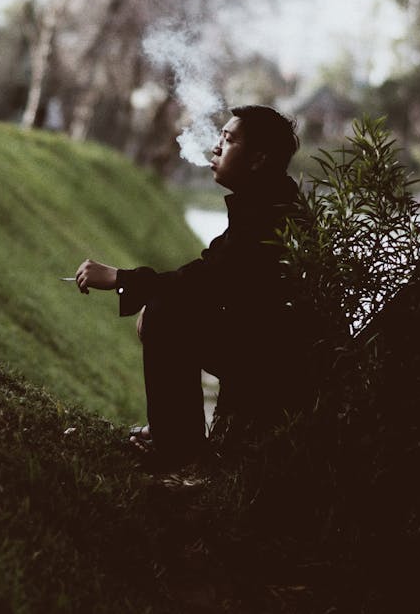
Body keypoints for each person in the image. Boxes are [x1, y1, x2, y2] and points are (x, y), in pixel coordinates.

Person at [73, 105, 306, 468]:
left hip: (275, 365)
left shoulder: (269, 214)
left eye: (228, 141)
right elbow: (210, 269)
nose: (216, 148)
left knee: (167, 313)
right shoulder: (267, 200)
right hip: (266, 350)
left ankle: (177, 449)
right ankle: (173, 434)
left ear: (258, 159)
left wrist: (122, 279)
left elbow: (205, 283)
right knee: (166, 307)